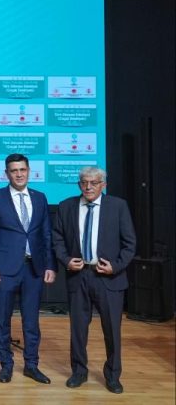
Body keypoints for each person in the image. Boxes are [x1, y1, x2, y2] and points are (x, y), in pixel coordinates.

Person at [53, 166, 136, 394]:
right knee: (78, 330)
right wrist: (66, 260)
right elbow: (57, 239)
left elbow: (130, 244)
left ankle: (113, 376)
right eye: (84, 182)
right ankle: (79, 372)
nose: (88, 187)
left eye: (94, 183)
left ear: (103, 185)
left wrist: (115, 266)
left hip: (109, 278)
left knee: (112, 330)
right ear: (79, 184)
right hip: (78, 276)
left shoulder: (118, 206)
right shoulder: (66, 206)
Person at [0, 154, 54, 385]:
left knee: (31, 321)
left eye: (22, 170)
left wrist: (50, 265)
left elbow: (46, 233)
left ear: (29, 171)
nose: (19, 174)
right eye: (14, 170)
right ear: (6, 173)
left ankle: (31, 365)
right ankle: (6, 365)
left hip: (33, 268)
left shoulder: (40, 197)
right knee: (2, 320)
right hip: (5, 269)